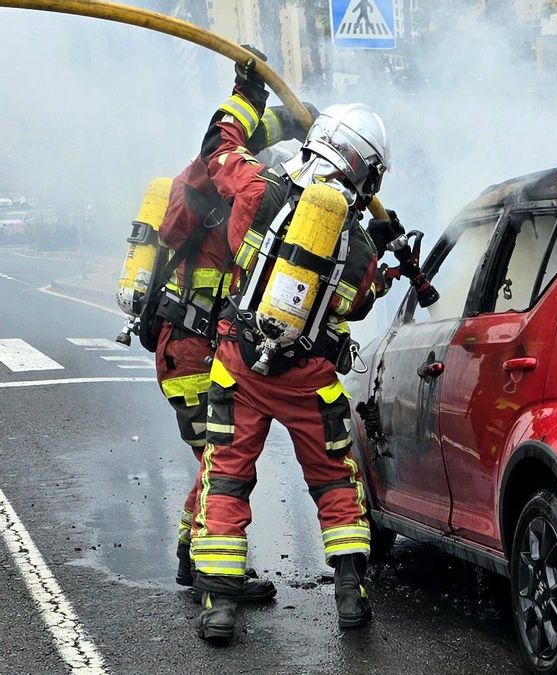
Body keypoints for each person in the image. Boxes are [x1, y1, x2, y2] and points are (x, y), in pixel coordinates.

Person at [188, 53, 420, 642]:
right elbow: (354, 303)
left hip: (239, 365)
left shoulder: (258, 188)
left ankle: (219, 605)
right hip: (308, 379)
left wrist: (246, 95)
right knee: (336, 479)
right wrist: (380, 259)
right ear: (366, 174)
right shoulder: (358, 243)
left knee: (227, 476)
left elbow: (218, 151)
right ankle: (351, 595)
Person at [153, 48, 313, 602]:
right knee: (222, 467)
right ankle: (214, 575)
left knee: (212, 463)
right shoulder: (198, 187)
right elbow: (220, 150)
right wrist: (249, 95)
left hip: (196, 348)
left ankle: (189, 556)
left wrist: (295, 122)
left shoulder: (232, 199)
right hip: (189, 350)